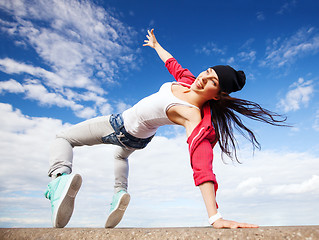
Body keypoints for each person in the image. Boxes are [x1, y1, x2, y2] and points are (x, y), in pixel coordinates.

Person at [45, 29, 285, 229]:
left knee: (63, 138)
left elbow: (202, 164)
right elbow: (173, 64)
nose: (204, 78)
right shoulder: (188, 81)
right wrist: (156, 45)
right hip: (139, 138)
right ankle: (120, 192)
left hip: (121, 126)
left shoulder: (193, 116)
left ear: (219, 95)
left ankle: (58, 181)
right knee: (119, 155)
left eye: (213, 82)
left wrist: (215, 218)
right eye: (209, 71)